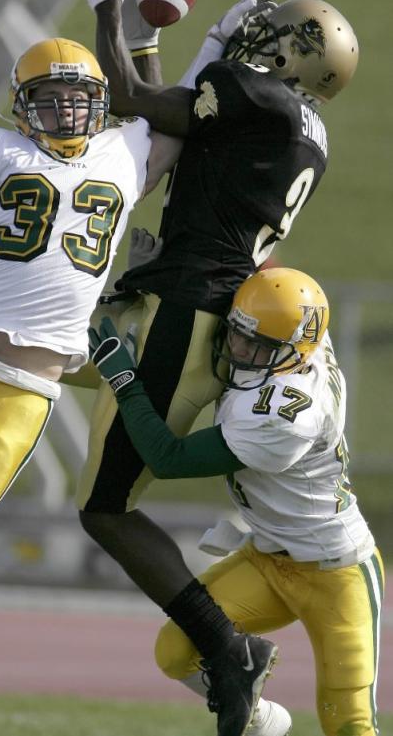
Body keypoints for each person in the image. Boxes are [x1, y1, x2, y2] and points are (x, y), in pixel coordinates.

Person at [73, 0, 361, 736]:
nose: (257, 38)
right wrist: (181, 46)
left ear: (292, 53)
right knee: (47, 347)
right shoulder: (299, 128)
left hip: (184, 309)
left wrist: (107, 1)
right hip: (198, 302)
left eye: (276, 34)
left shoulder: (250, 96)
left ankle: (228, 653)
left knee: (105, 511)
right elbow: (182, 117)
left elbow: (133, 98)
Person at [0, 36, 180, 664]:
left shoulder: (123, 156)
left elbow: (170, 117)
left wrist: (161, 34)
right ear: (21, 106)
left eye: (79, 99)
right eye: (49, 99)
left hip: (23, 395)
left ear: (101, 104)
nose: (67, 112)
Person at [88, 266, 384, 736]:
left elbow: (168, 458)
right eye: (239, 334)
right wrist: (164, 265)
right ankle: (263, 722)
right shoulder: (303, 340)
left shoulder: (286, 415)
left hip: (337, 570)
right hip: (267, 559)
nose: (240, 350)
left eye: (258, 346)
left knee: (349, 723)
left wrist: (126, 382)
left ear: (292, 354)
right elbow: (265, 278)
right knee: (176, 652)